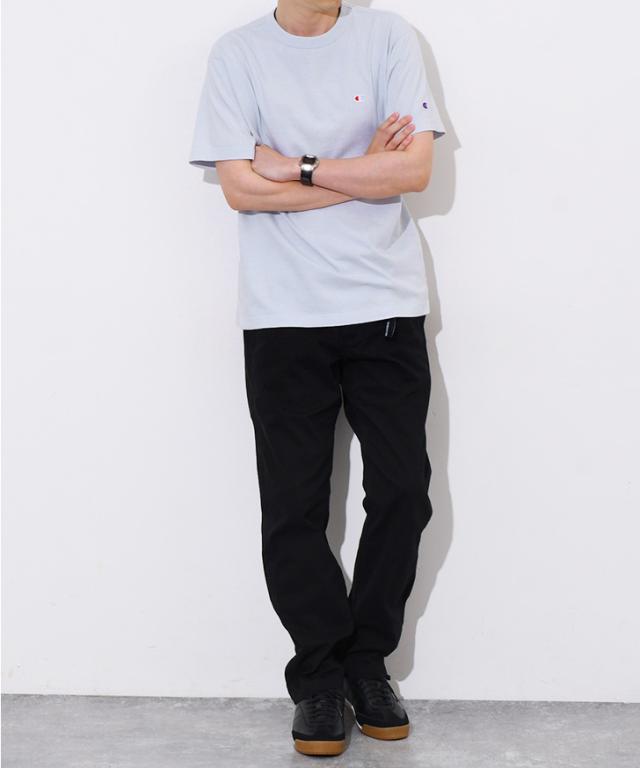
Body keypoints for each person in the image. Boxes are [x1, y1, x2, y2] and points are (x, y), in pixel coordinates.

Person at [188, 0, 446, 757]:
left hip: (385, 305)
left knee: (403, 491)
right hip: (282, 314)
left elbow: (414, 170)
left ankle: (368, 665)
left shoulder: (388, 36)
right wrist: (363, 174)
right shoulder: (237, 54)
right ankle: (320, 680)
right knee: (293, 507)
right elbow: (241, 189)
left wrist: (295, 166)